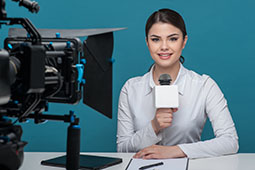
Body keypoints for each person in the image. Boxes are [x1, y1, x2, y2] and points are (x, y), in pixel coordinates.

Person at [116, 8, 239, 159]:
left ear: (184, 41)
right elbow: (122, 149)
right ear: (147, 42)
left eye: (172, 39)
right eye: (156, 39)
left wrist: (176, 151)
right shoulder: (130, 89)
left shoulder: (204, 85)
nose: (164, 47)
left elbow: (230, 141)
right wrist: (153, 126)